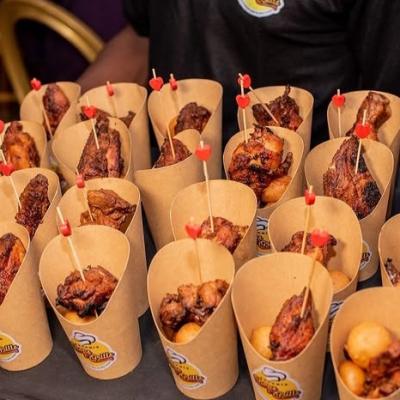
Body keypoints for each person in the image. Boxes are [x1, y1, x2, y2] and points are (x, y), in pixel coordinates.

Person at [78, 0, 400, 147]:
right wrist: (65, 119)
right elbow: (140, 39)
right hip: (166, 189)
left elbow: (387, 107)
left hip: (297, 210)